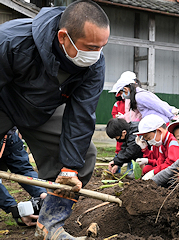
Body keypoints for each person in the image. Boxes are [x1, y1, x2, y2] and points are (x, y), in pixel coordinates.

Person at [0, 0, 110, 238]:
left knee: (84, 155)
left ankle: (49, 225)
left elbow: (81, 114)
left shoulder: (94, 64)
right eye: (91, 47)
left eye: (101, 47)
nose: (97, 54)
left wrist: (69, 168)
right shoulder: (11, 40)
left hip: (43, 111)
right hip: (3, 102)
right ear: (63, 37)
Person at [0, 129, 47, 227]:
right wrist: (16, 210)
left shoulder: (9, 134)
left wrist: (42, 193)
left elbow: (23, 169)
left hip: (8, 138)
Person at [134, 114, 179, 180]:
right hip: (169, 171)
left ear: (159, 131)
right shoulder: (162, 143)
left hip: (176, 175)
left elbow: (172, 164)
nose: (149, 142)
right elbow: (159, 162)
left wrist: (154, 172)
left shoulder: (173, 142)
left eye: (149, 138)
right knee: (147, 169)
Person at [109, 71, 142, 155]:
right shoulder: (120, 103)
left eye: (121, 92)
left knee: (133, 149)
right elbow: (127, 114)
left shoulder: (140, 97)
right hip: (126, 128)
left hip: (135, 128)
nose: (119, 95)